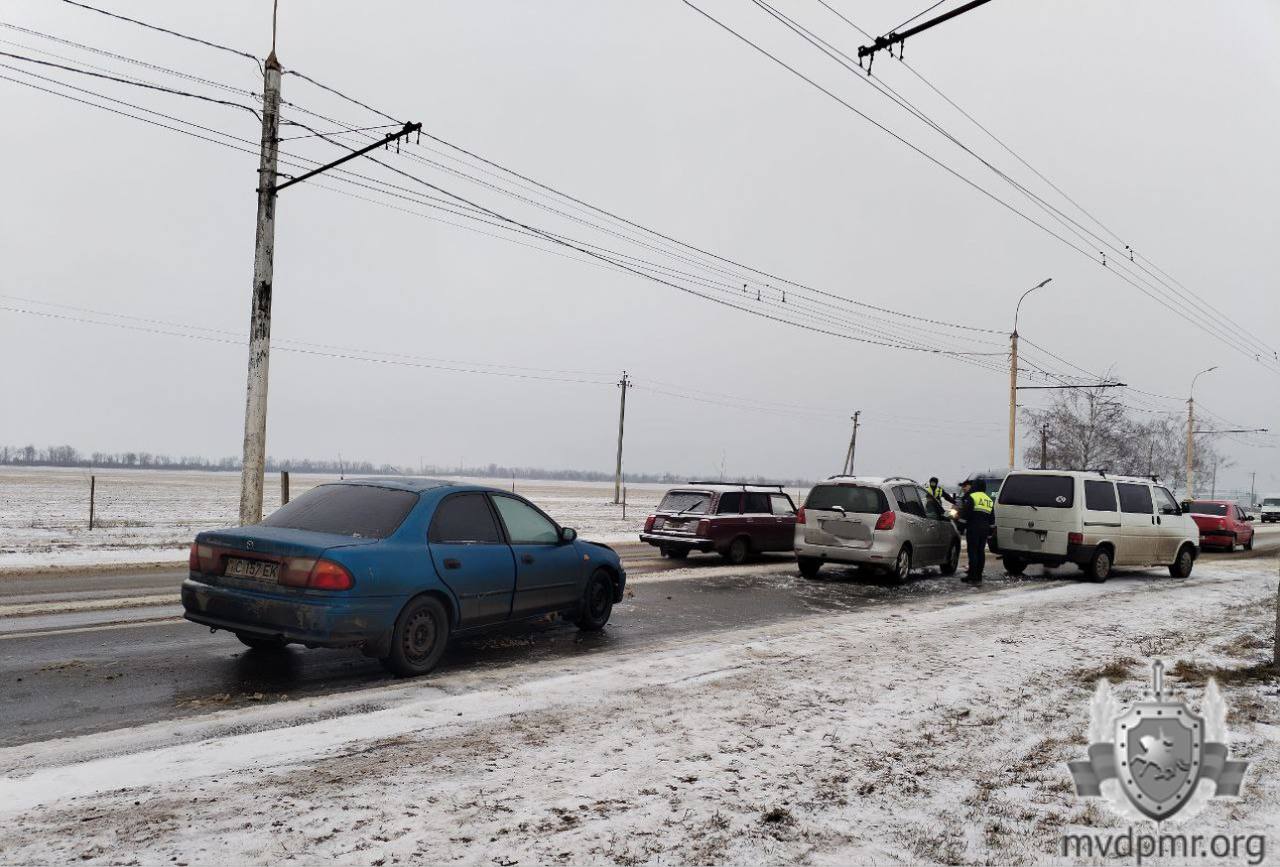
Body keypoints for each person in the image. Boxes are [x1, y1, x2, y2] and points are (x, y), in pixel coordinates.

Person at [957, 478, 994, 583]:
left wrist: (960, 528)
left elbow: (965, 514)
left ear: (975, 486)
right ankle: (978, 575)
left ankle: (972, 575)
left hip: (973, 528)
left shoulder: (972, 497)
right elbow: (992, 518)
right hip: (984, 530)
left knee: (973, 552)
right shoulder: (989, 500)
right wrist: (990, 532)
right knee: (980, 552)